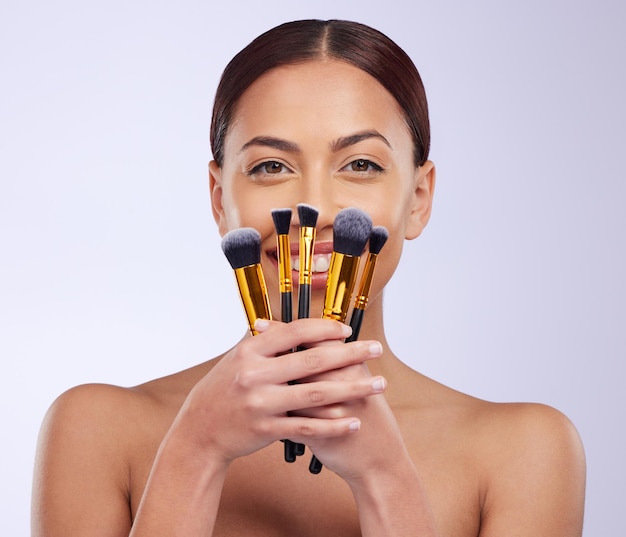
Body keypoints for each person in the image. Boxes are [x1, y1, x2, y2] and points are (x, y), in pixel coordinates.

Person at [31, 19, 586, 536]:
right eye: (271, 167)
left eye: (361, 165)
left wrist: (385, 476)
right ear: (219, 199)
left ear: (419, 199)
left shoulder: (526, 452)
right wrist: (194, 448)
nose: (313, 207)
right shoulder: (95, 433)